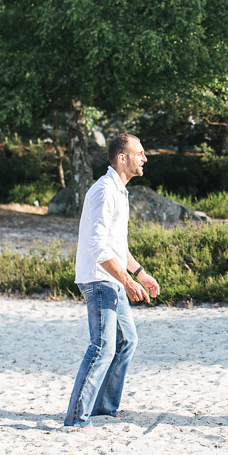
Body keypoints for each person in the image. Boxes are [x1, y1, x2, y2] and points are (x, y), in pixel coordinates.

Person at [64, 133, 160, 428]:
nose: (144, 158)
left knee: (127, 340)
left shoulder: (119, 191)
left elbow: (117, 246)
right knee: (102, 346)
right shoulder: (104, 190)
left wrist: (140, 273)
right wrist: (127, 282)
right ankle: (76, 417)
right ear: (122, 158)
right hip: (99, 280)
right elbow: (97, 246)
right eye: (139, 153)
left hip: (113, 279)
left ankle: (104, 407)